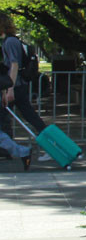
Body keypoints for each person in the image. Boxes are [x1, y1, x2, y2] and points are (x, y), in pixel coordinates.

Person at [0, 12, 45, 170]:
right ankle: (17, 150)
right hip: (16, 87)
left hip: (16, 87)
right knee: (28, 116)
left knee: (28, 116)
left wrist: (9, 88)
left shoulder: (10, 42)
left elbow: (14, 65)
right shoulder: (10, 41)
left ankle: (23, 150)